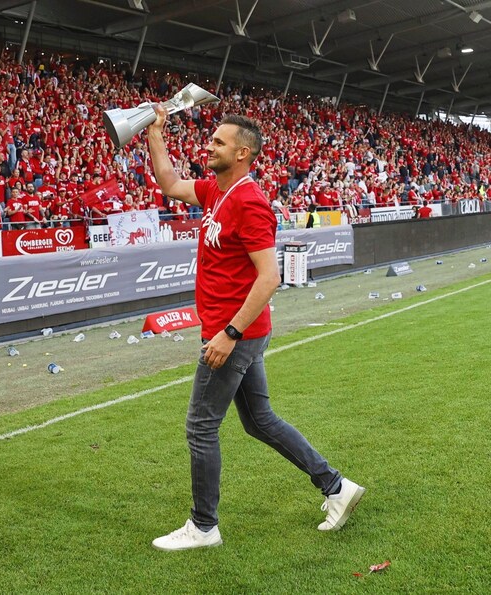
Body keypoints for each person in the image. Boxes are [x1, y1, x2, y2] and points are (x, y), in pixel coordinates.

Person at [147, 107, 365, 552]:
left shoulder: (250, 202)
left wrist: (228, 334)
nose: (210, 147)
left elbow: (270, 277)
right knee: (259, 421)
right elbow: (169, 183)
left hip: (235, 333)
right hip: (239, 330)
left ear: (243, 153)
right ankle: (336, 487)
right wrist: (155, 133)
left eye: (219, 143)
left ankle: (203, 526)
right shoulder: (216, 190)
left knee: (200, 428)